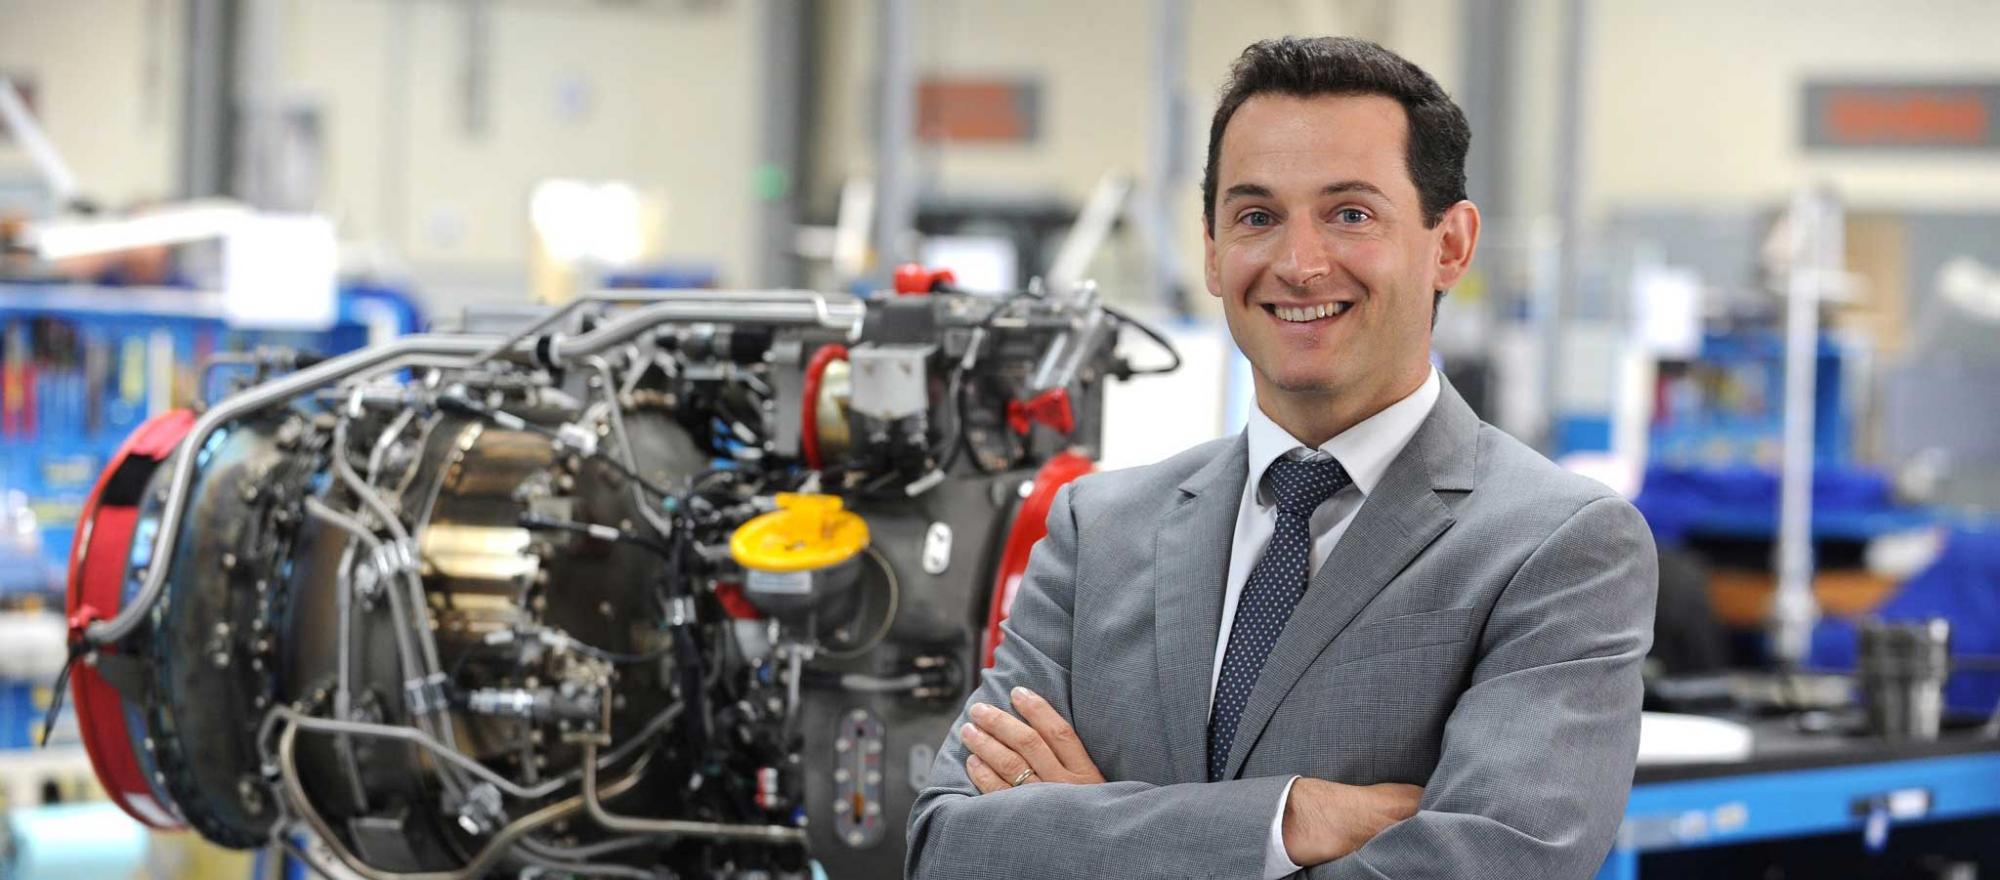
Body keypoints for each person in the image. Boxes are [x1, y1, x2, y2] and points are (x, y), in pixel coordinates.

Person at [905, 35, 1657, 880]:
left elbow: (1490, 867)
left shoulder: (1557, 547)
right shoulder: (1100, 533)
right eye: (1257, 216)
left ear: (1450, 244)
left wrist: (1094, 833)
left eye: (1351, 214)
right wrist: (1287, 820)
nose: (1300, 265)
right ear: (1214, 251)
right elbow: (951, 850)